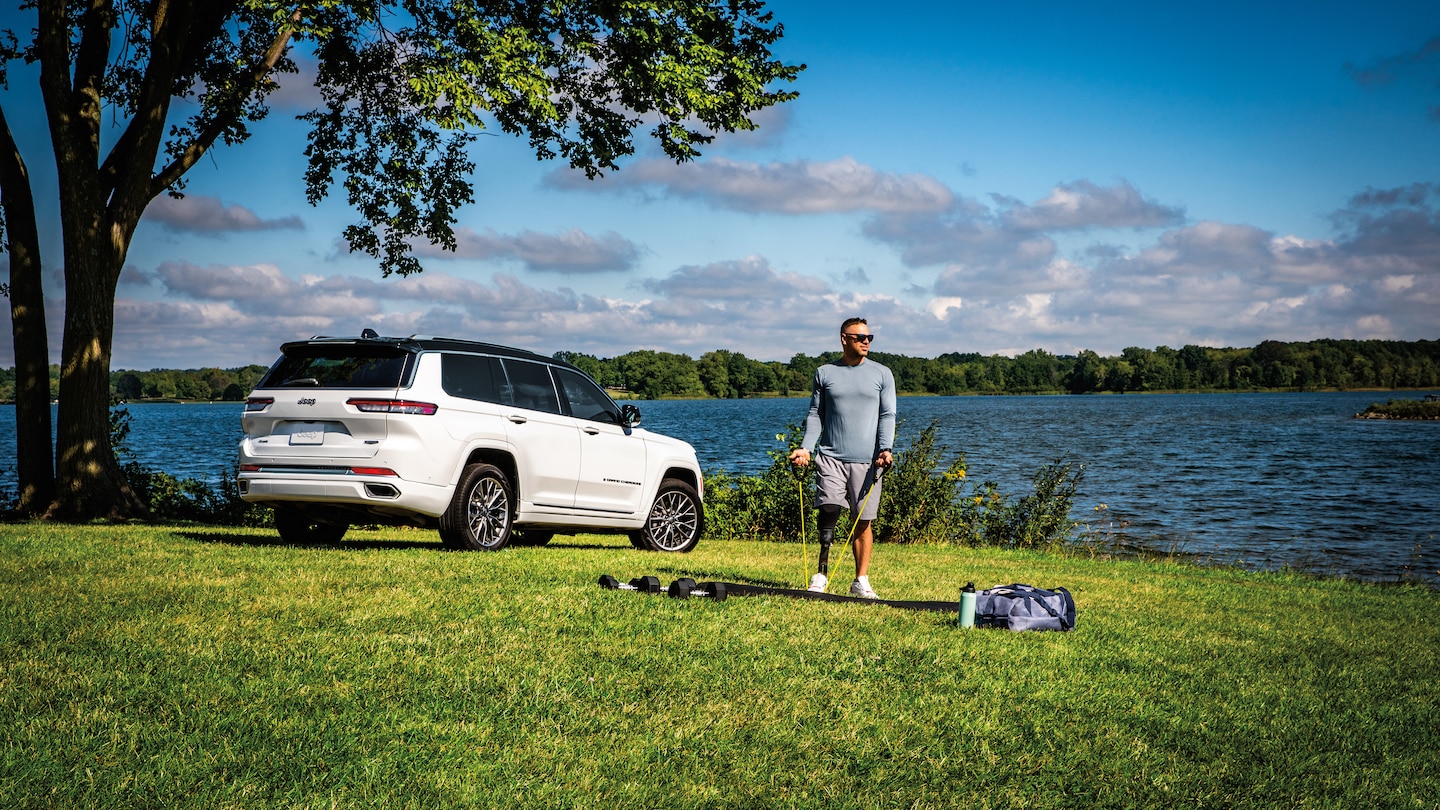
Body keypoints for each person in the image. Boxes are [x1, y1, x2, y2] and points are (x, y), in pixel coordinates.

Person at [788, 317, 896, 598]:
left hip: (869, 461)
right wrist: (806, 448)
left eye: (869, 337)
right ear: (844, 339)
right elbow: (816, 414)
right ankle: (821, 574)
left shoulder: (882, 374)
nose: (866, 342)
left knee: (863, 522)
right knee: (829, 509)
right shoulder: (825, 373)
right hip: (830, 457)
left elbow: (887, 415)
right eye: (860, 337)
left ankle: (860, 580)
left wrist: (886, 449)